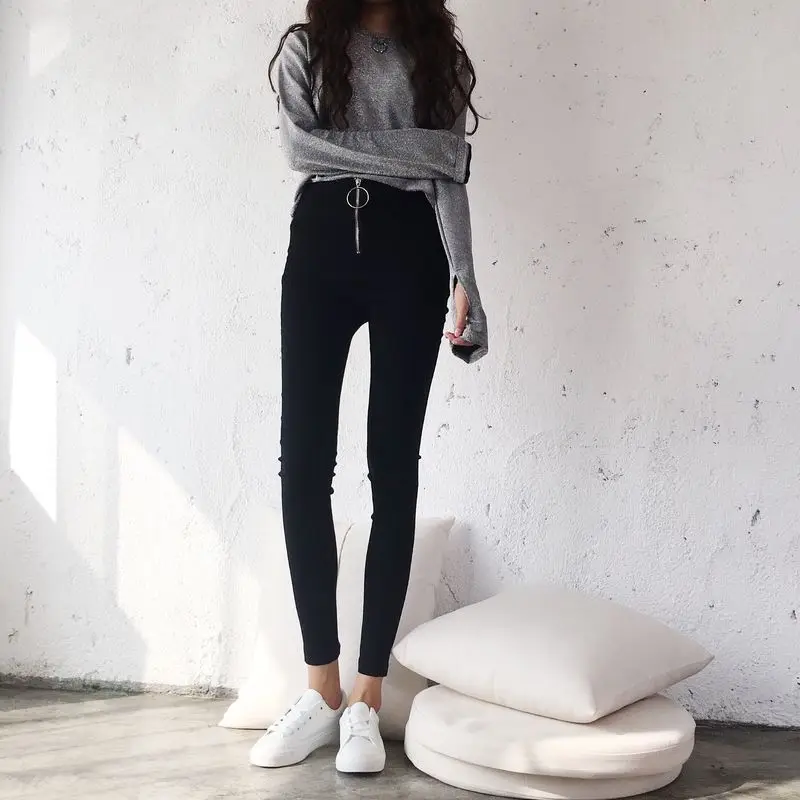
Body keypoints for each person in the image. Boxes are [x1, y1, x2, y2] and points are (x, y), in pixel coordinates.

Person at [249, 0, 488, 775]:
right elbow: (301, 146)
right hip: (321, 247)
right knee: (303, 465)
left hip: (411, 254)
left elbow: (450, 178)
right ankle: (320, 687)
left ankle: (366, 697)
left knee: (393, 467)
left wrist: (466, 279)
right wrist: (426, 152)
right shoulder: (306, 47)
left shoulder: (436, 53)